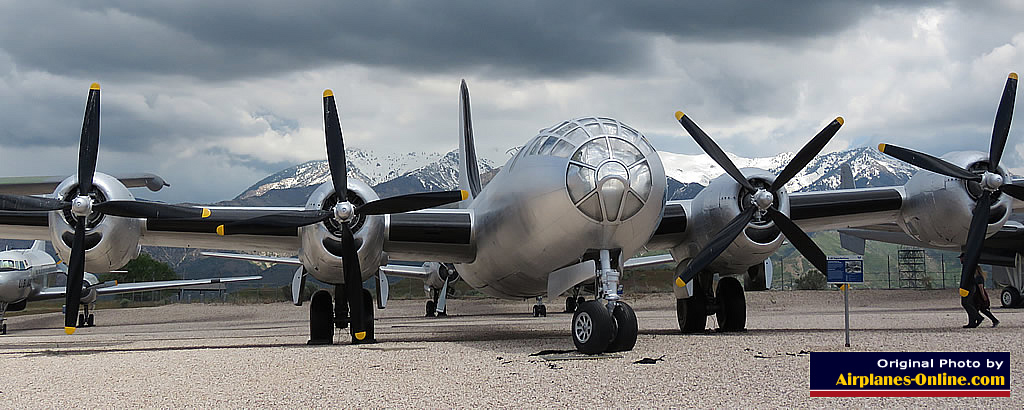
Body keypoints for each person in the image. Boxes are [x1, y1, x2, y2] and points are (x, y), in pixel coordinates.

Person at [959, 254, 984, 328]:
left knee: (966, 303)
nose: (960, 260)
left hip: (968, 286)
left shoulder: (968, 265)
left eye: (961, 258)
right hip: (969, 286)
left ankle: (978, 317)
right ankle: (972, 322)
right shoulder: (969, 265)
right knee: (969, 303)